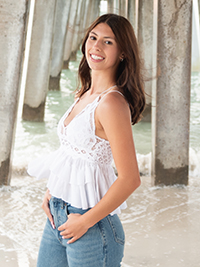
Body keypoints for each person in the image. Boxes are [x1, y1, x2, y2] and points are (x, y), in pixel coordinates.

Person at [28, 13, 146, 267]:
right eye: (93, 37)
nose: (96, 46)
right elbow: (73, 154)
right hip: (58, 215)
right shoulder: (84, 94)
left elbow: (130, 179)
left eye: (108, 42)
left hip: (90, 226)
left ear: (123, 53)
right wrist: (52, 191)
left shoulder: (112, 103)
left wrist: (85, 221)